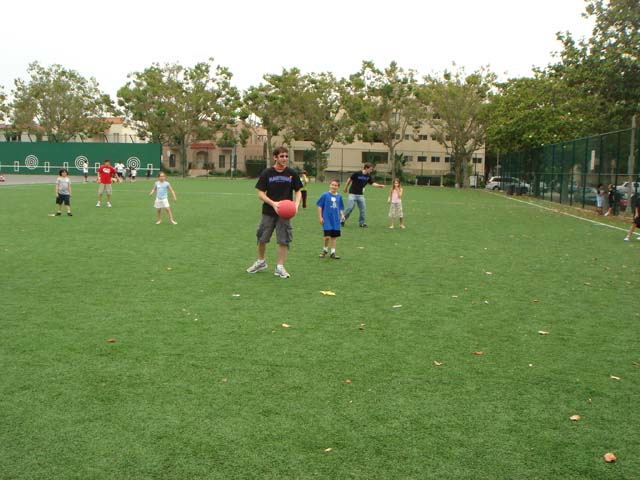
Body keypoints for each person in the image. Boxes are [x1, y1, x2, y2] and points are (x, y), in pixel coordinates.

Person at [246, 146, 303, 279]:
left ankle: (280, 267)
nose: (284, 159)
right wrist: (273, 204)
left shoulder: (292, 173)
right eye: (282, 156)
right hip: (268, 211)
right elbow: (260, 193)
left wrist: (296, 205)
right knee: (262, 237)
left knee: (283, 239)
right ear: (275, 157)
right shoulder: (267, 173)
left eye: (286, 156)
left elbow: (298, 191)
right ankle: (261, 261)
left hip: (285, 213)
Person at [342, 162, 385, 227]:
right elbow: (349, 179)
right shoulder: (357, 173)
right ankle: (342, 221)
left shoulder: (368, 176)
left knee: (363, 210)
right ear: (366, 168)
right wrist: (345, 188)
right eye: (370, 169)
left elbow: (372, 183)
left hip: (360, 195)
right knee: (349, 208)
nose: (371, 170)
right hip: (352, 194)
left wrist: (379, 186)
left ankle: (362, 223)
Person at [317, 179, 345, 259]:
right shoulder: (325, 195)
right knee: (327, 237)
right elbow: (320, 206)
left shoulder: (339, 196)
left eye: (336, 185)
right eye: (332, 185)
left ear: (338, 187)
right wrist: (320, 217)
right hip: (327, 219)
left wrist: (342, 215)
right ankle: (325, 250)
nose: (334, 186)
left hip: (336, 219)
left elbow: (340, 207)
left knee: (334, 237)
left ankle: (333, 253)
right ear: (330, 185)